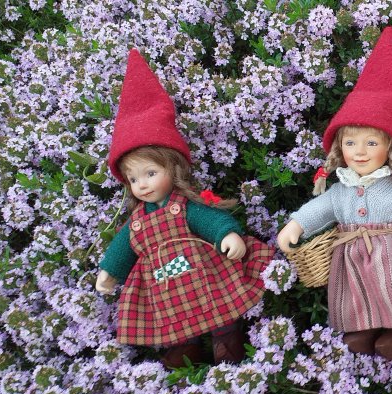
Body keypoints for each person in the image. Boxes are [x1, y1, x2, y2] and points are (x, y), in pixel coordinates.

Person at [95, 49, 273, 368]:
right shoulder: (137, 222)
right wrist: (110, 271)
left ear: (174, 168)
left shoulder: (183, 206)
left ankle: (226, 341)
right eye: (134, 179)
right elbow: (123, 246)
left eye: (151, 173)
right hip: (164, 285)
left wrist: (226, 234)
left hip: (202, 274)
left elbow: (209, 218)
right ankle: (185, 349)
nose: (142, 185)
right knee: (172, 319)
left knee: (219, 307)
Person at [276, 27, 392, 363]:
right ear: (340, 148)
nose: (360, 152)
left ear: (390, 148)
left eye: (371, 143)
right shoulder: (340, 189)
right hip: (353, 257)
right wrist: (296, 225)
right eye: (351, 143)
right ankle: (365, 326)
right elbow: (320, 208)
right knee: (358, 294)